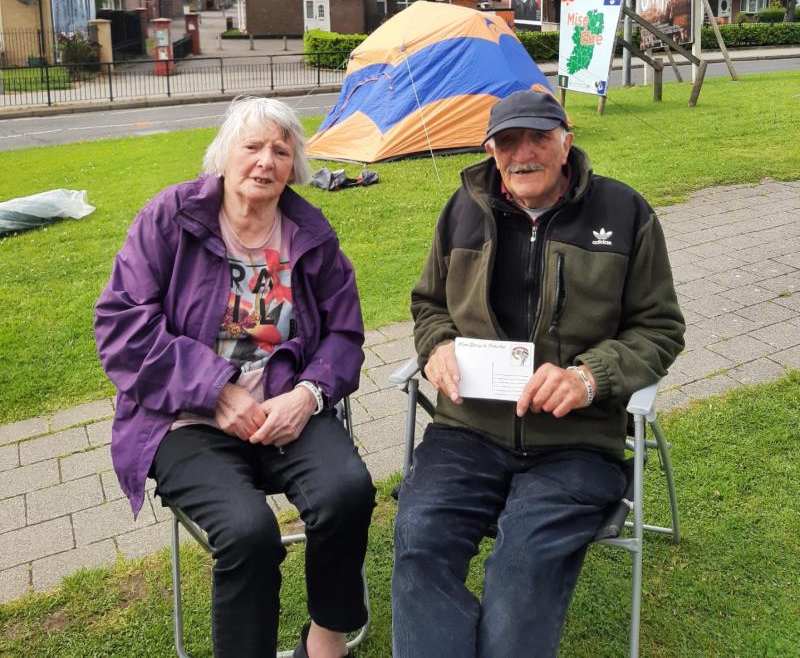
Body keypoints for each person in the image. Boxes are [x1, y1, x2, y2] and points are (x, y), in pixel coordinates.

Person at [392, 89, 684, 658]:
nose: (523, 153)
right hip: (466, 433)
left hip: (574, 442)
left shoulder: (626, 214)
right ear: (491, 150)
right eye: (507, 140)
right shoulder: (461, 211)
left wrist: (589, 377)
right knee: (421, 538)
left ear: (566, 141)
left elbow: (660, 329)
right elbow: (429, 304)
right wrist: (438, 346)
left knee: (521, 569)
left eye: (538, 137)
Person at [95, 97, 375, 658]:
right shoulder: (170, 218)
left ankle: (326, 640)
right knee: (249, 532)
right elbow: (120, 328)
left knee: (348, 492)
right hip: (186, 420)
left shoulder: (310, 234)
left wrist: (307, 393)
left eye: (280, 149)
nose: (265, 162)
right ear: (224, 155)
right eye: (251, 147)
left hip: (282, 407)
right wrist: (215, 389)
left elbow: (345, 335)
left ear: (294, 165)